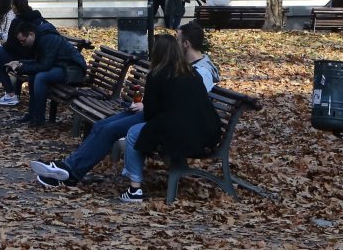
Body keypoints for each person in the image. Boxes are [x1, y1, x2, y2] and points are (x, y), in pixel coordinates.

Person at [31, 28, 220, 189]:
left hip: (165, 121)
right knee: (102, 126)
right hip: (163, 117)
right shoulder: (181, 70)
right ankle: (68, 166)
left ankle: (71, 172)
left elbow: (170, 107)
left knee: (109, 129)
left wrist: (146, 107)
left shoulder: (178, 72)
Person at [118, 22, 224, 202]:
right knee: (143, 131)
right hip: (208, 132)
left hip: (183, 135)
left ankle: (134, 188)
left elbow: (150, 114)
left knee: (134, 133)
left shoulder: (157, 74)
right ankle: (132, 175)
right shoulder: (191, 72)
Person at [0, 20, 86, 127]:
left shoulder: (48, 39)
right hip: (61, 66)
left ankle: (38, 117)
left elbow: (44, 65)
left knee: (40, 77)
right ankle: (32, 114)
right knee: (34, 75)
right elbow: (40, 62)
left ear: (31, 34)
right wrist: (20, 63)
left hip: (72, 70)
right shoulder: (39, 39)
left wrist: (22, 66)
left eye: (23, 41)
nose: (23, 44)